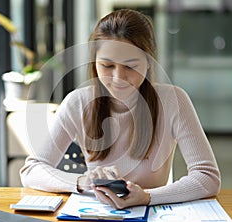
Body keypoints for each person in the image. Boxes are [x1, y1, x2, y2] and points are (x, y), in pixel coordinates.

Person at [20, 9, 221, 209]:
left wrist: (147, 197)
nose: (118, 79)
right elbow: (32, 170)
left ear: (149, 63)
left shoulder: (173, 100)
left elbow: (207, 177)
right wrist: (82, 182)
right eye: (107, 66)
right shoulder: (78, 102)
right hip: (97, 216)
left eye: (131, 66)